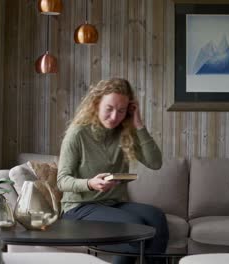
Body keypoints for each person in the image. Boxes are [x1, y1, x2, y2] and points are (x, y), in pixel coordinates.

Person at [57, 78, 169, 264]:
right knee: (135, 226)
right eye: (109, 108)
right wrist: (90, 184)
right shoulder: (78, 134)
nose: (114, 116)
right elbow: (62, 181)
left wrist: (139, 124)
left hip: (112, 203)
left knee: (156, 217)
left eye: (121, 110)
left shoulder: (124, 133)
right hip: (78, 208)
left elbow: (155, 162)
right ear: (96, 104)